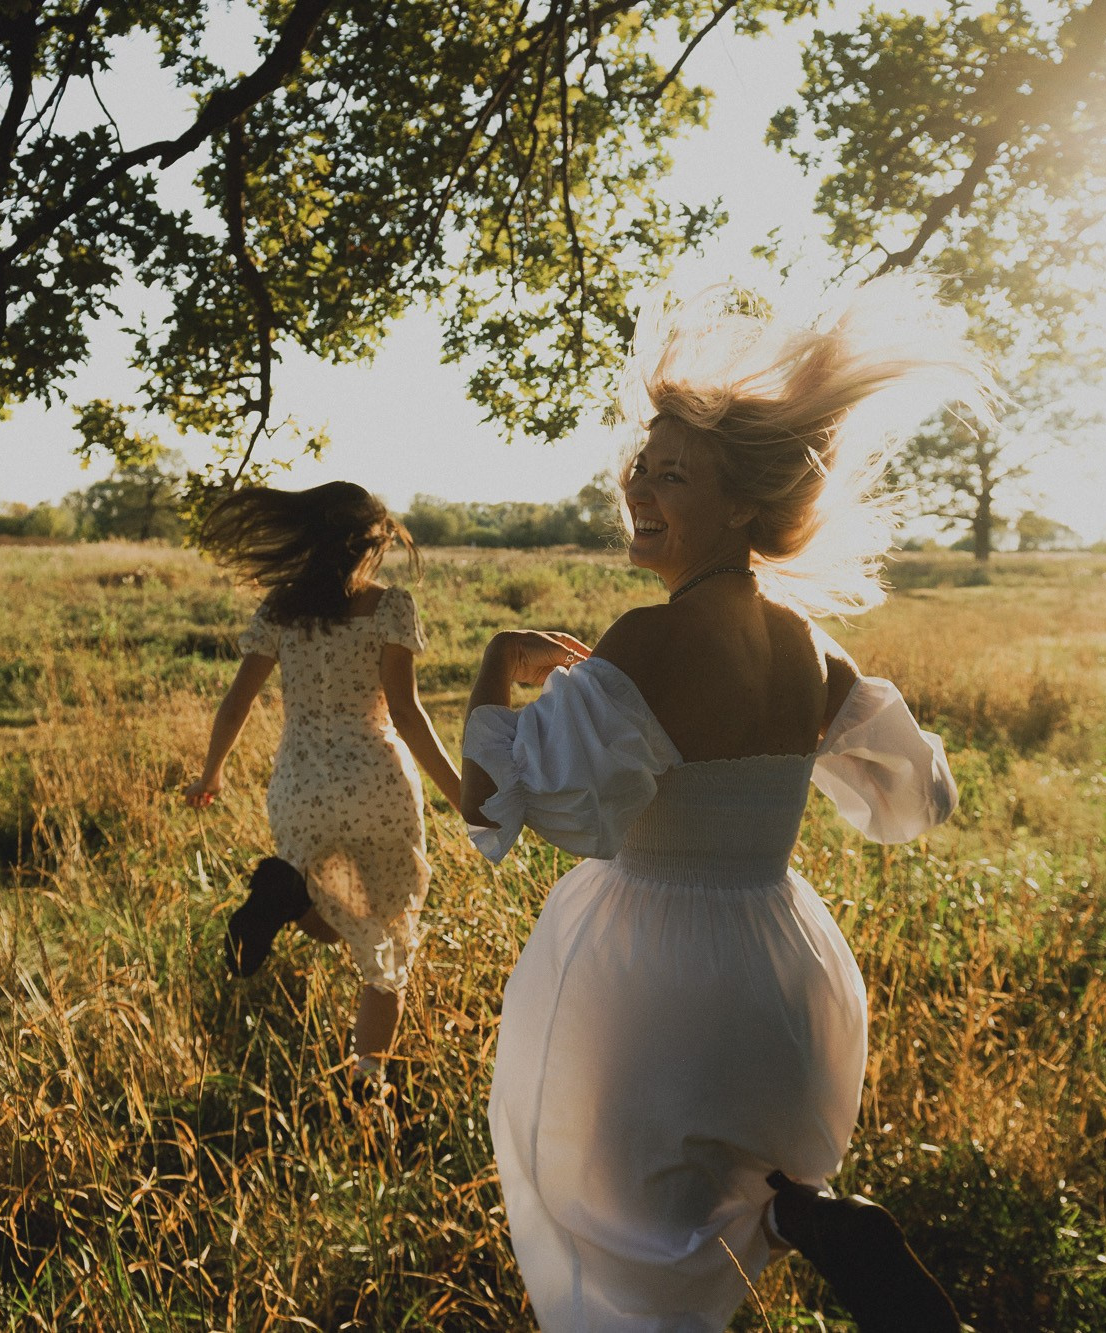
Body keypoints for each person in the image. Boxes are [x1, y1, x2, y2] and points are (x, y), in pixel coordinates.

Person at [461, 285, 978, 1331]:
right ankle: (807, 1222)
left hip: (645, 975)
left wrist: (489, 671)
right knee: (734, 1213)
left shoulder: (648, 640)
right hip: (777, 964)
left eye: (671, 474)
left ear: (741, 502)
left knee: (626, 1254)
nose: (638, 490)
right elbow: (920, 791)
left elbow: (499, 813)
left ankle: (778, 1237)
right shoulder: (807, 646)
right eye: (636, 469)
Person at [181, 481, 462, 1101]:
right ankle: (369, 1081)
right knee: (386, 949)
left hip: (302, 783)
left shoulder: (280, 610)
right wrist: (461, 793)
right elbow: (408, 714)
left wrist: (212, 774)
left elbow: (236, 704)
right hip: (376, 780)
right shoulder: (391, 607)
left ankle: (287, 894)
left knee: (335, 920)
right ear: (371, 543)